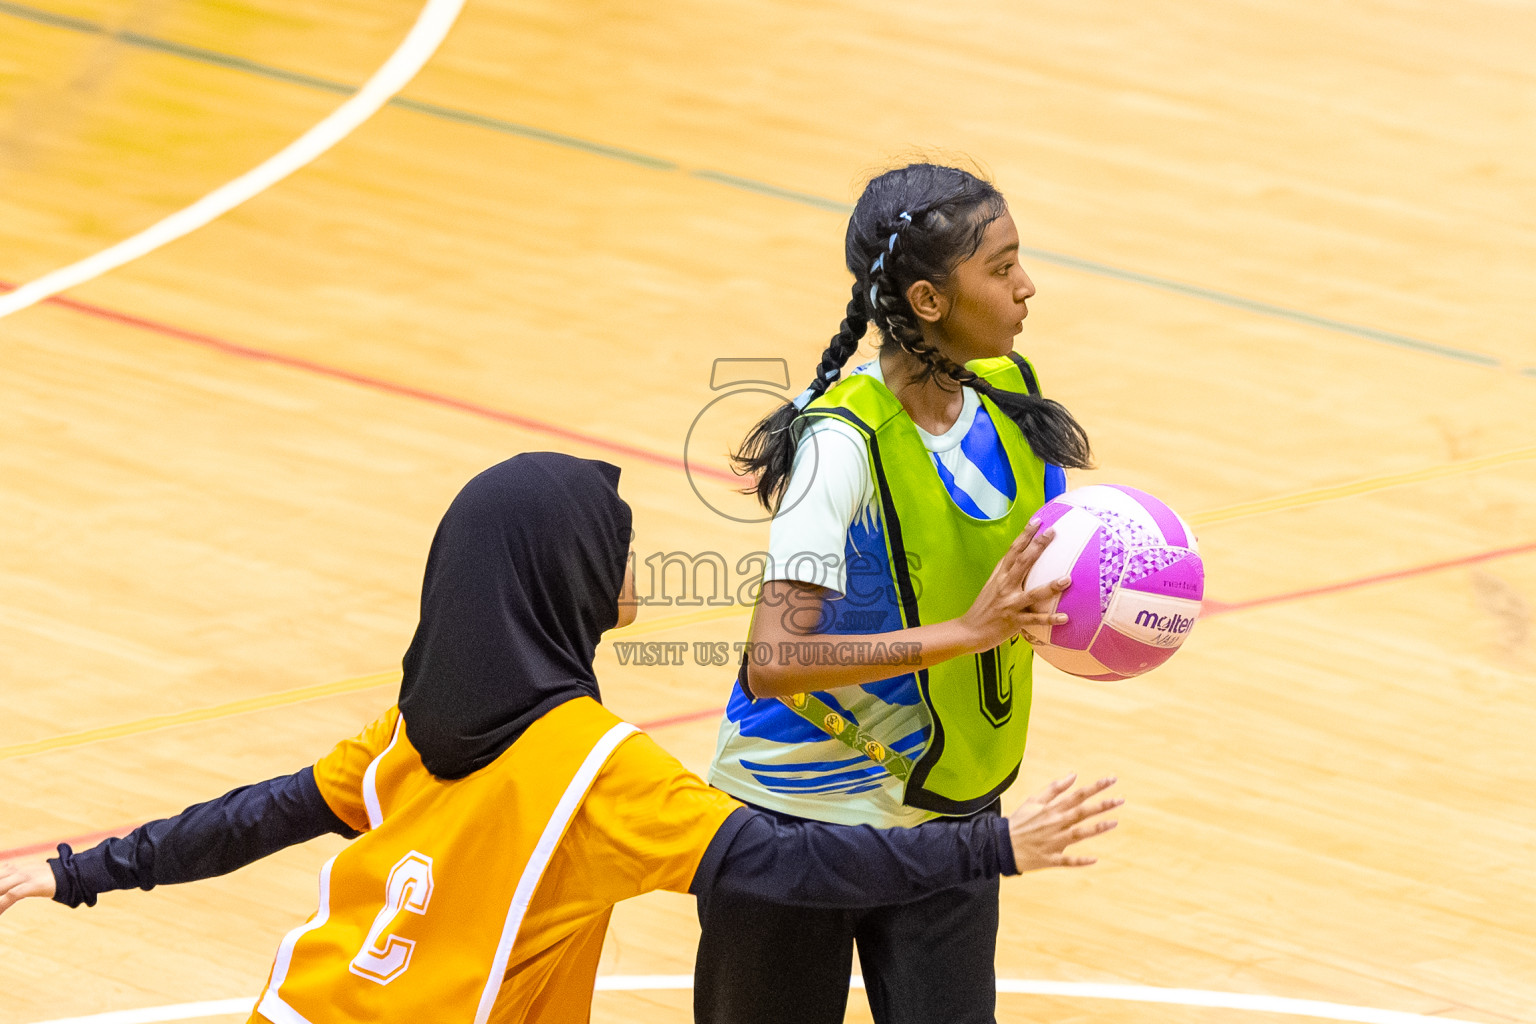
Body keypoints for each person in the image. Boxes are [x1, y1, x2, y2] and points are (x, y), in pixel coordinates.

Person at [0, 453, 1119, 1023]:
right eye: (618, 548)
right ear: (566, 578)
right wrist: (988, 848)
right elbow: (788, 859)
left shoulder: (412, 731)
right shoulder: (597, 770)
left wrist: (77, 871)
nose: (633, 569)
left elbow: (252, 816)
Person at [703, 163, 1098, 1024]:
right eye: (1001, 268)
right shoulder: (840, 444)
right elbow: (774, 661)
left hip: (947, 810)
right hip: (799, 826)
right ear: (927, 299)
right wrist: (968, 631)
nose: (1027, 287)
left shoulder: (1010, 397)